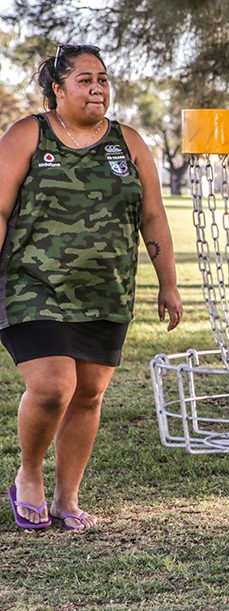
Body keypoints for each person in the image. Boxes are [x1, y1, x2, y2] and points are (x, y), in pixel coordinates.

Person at [0, 44, 182, 531]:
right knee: (54, 387)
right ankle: (30, 475)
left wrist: (169, 285)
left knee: (89, 394)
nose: (97, 87)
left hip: (107, 289)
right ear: (57, 89)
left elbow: (153, 217)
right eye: (84, 79)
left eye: (102, 78)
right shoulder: (26, 135)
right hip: (31, 284)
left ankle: (67, 498)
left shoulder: (130, 143)